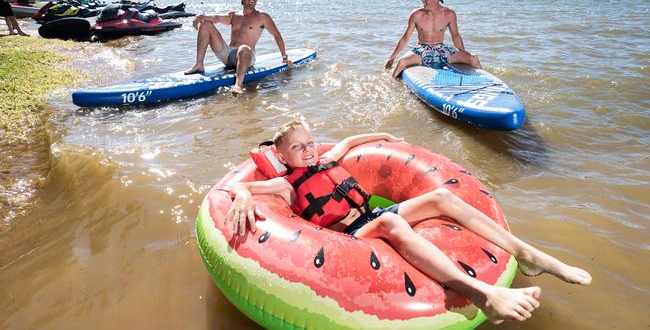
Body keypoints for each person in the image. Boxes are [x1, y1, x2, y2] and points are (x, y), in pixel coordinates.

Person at [226, 120, 592, 324]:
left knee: (441, 198)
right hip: (351, 237)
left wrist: (384, 136)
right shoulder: (286, 183)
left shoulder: (326, 158)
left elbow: (351, 139)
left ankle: (531, 256)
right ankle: (483, 296)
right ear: (281, 156)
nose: (308, 151)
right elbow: (241, 188)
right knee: (391, 226)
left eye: (310, 143)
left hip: (371, 215)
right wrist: (243, 196)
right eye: (297, 148)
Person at [185, 0, 292, 94]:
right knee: (206, 24)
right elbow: (216, 18)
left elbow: (277, 35)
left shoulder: (263, 17)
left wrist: (284, 57)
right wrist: (200, 17)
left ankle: (237, 85)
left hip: (247, 56)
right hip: (228, 55)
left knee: (243, 48)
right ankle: (199, 64)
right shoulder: (234, 15)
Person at [385, 0, 479, 78]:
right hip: (422, 50)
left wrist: (463, 54)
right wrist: (392, 58)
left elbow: (456, 36)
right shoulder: (416, 14)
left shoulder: (449, 14)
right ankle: (392, 84)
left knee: (473, 58)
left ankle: (486, 82)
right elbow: (405, 38)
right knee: (402, 62)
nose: (422, 0)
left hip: (441, 49)